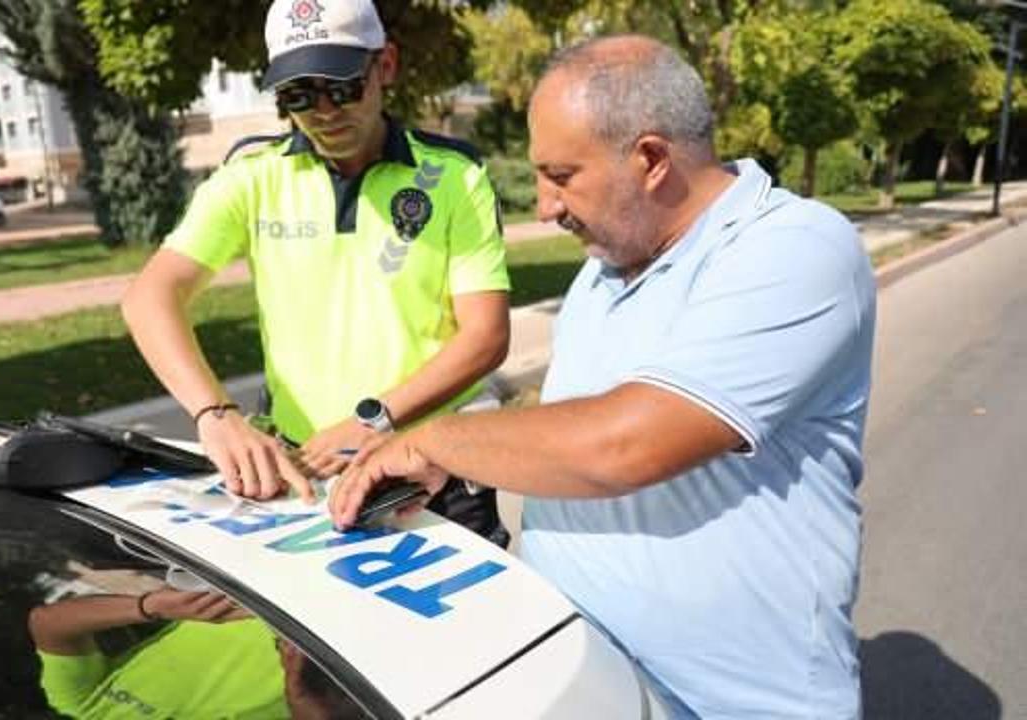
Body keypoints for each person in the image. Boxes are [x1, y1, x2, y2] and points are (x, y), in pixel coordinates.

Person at [331, 34, 876, 719]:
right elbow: (572, 424)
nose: (544, 206)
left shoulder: (794, 248)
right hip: (591, 685)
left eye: (560, 175)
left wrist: (434, 439)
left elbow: (624, 445)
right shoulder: (603, 272)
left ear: (650, 159)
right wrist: (467, 453)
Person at [122, 0, 510, 543]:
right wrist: (215, 415)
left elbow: (486, 336)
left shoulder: (453, 177)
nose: (324, 110)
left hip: (429, 474)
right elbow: (149, 297)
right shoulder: (252, 176)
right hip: (304, 475)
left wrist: (376, 421)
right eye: (298, 95)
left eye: (343, 85)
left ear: (387, 66)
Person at [29, 588, 365, 719]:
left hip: (260, 586)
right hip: (348, 643)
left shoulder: (81, 708)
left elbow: (48, 623)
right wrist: (303, 703)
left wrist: (151, 606)